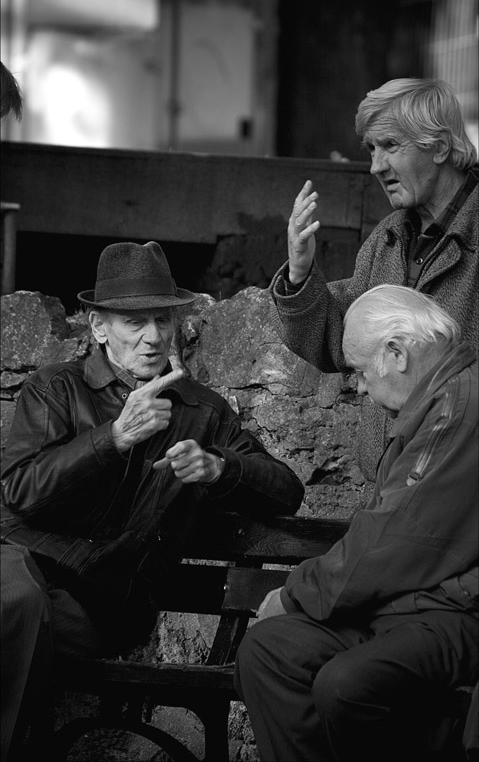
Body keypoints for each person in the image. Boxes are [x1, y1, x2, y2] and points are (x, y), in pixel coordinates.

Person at [0, 240, 304, 761]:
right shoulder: (55, 388)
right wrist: (112, 439)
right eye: (134, 322)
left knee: (18, 614)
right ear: (98, 327)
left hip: (97, 600)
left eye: (163, 320)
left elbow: (286, 490)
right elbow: (20, 490)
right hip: (19, 562)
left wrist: (219, 467)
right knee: (16, 603)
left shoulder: (203, 412)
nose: (153, 336)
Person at [235, 284, 478, 762]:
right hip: (407, 607)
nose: (360, 388)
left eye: (361, 372)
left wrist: (293, 594)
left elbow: (393, 539)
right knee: (268, 651)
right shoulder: (435, 401)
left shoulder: (458, 408)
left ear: (397, 353)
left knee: (346, 685)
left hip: (454, 614)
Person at [269, 77, 478, 482]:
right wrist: (299, 272)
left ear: (439, 147)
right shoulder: (387, 239)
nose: (376, 166)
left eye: (390, 145)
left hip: (458, 485)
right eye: (371, 148)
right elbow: (340, 343)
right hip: (390, 482)